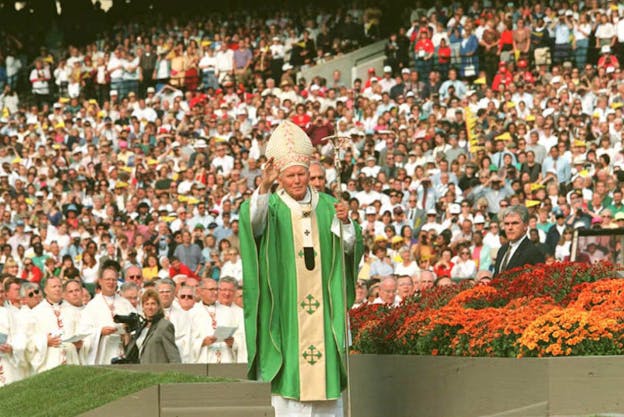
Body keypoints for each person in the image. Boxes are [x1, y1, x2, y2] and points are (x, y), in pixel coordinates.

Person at [239, 120, 363, 415]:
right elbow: (252, 225)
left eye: (301, 174)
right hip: (285, 311)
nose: (297, 180)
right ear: (279, 177)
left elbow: (349, 249)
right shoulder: (270, 206)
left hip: (324, 312)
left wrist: (347, 224)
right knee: (288, 399)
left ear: (310, 174)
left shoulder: (330, 205)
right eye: (290, 175)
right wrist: (263, 186)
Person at [78, 262, 136, 365]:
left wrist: (127, 331)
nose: (111, 282)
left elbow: (137, 324)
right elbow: (83, 332)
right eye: (108, 279)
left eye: (114, 280)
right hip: (103, 353)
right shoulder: (92, 306)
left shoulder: (125, 303)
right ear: (100, 281)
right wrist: (100, 332)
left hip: (123, 350)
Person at [29, 277, 82, 372]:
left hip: (71, 358)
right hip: (49, 360)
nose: (57, 289)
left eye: (59, 286)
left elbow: (82, 332)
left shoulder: (72, 310)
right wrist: (45, 341)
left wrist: (80, 342)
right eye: (54, 286)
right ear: (45, 290)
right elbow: (30, 339)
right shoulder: (36, 313)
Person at [126, 288, 181, 364]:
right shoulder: (141, 327)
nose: (150, 307)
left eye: (153, 304)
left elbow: (173, 355)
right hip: (141, 372)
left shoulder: (164, 326)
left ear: (158, 306)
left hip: (158, 372)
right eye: (147, 304)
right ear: (143, 307)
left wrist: (176, 374)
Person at [190, 277, 238, 363]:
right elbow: (187, 341)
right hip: (205, 358)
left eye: (217, 289)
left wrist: (232, 343)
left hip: (226, 357)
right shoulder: (192, 313)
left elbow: (238, 336)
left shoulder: (227, 311)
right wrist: (202, 342)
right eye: (211, 289)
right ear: (200, 291)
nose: (215, 292)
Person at [493, 205, 546, 276]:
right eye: (506, 224)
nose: (510, 227)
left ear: (525, 226)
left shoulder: (534, 252)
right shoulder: (502, 250)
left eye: (515, 223)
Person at [156, 278, 191, 363]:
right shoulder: (150, 313)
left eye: (168, 291)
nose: (165, 294)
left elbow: (186, 338)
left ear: (174, 294)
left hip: (178, 353)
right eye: (161, 292)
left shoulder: (183, 314)